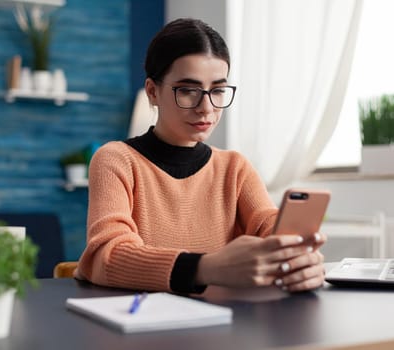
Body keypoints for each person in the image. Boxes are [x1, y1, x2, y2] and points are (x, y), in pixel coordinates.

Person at [75, 18, 326, 294]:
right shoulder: (116, 160)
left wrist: (298, 260)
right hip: (139, 326)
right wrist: (207, 268)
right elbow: (106, 256)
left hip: (224, 326)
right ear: (152, 91)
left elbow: (267, 224)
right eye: (188, 91)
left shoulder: (235, 168)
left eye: (217, 90)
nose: (206, 107)